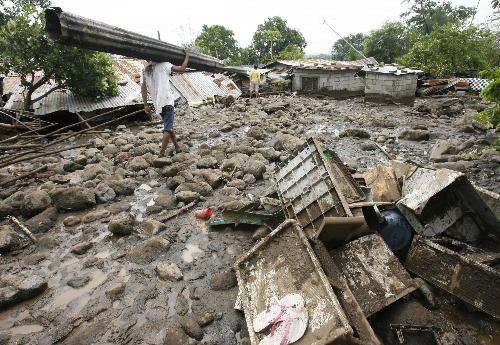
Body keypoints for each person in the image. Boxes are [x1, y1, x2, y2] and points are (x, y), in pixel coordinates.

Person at [141, 49, 189, 156]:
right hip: (167, 101)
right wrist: (187, 56)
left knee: (168, 125)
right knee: (167, 128)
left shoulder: (145, 70)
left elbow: (143, 88)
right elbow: (181, 69)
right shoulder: (165, 65)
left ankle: (177, 147)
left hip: (157, 104)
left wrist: (145, 104)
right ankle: (162, 153)